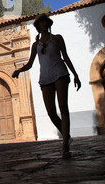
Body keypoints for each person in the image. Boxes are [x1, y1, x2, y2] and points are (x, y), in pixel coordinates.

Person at [12, 14, 81, 159]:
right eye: (41, 22)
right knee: (51, 112)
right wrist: (19, 70)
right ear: (38, 26)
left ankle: (65, 146)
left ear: (48, 24)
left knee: (63, 108)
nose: (43, 23)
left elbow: (66, 56)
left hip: (60, 73)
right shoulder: (36, 45)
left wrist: (75, 74)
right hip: (45, 78)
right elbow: (30, 64)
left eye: (45, 21)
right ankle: (67, 135)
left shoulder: (57, 38)